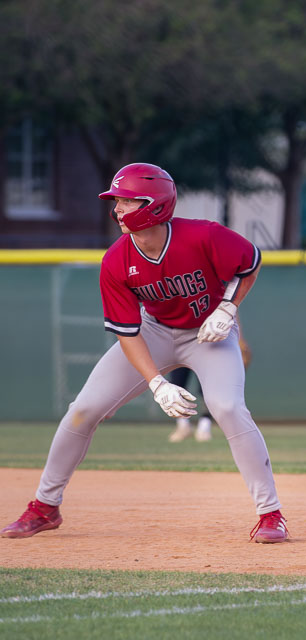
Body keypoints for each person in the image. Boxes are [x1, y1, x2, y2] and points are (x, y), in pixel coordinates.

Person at [1, 163, 288, 543]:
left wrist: (227, 309)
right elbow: (128, 333)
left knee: (228, 407)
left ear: (155, 205)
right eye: (115, 202)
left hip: (209, 334)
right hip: (153, 332)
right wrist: (157, 384)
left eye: (125, 201)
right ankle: (44, 506)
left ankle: (271, 514)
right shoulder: (116, 260)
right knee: (83, 410)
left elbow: (249, 264)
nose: (117, 209)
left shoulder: (203, 235)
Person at [166, 367, 214, 442]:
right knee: (177, 384)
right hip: (179, 356)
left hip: (203, 356)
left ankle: (204, 426)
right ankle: (183, 425)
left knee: (206, 387)